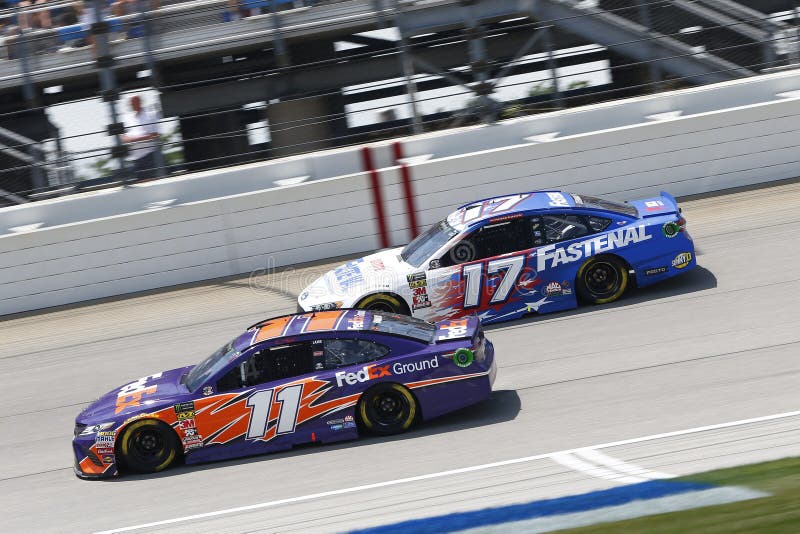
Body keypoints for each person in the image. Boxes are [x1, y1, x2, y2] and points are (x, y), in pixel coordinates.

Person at [121, 94, 162, 181]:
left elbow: (156, 134)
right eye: (130, 103)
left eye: (133, 102)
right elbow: (123, 137)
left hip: (150, 155)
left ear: (140, 102)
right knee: (141, 182)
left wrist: (134, 140)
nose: (131, 105)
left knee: (152, 181)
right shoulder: (127, 117)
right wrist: (130, 139)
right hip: (135, 158)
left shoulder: (151, 114)